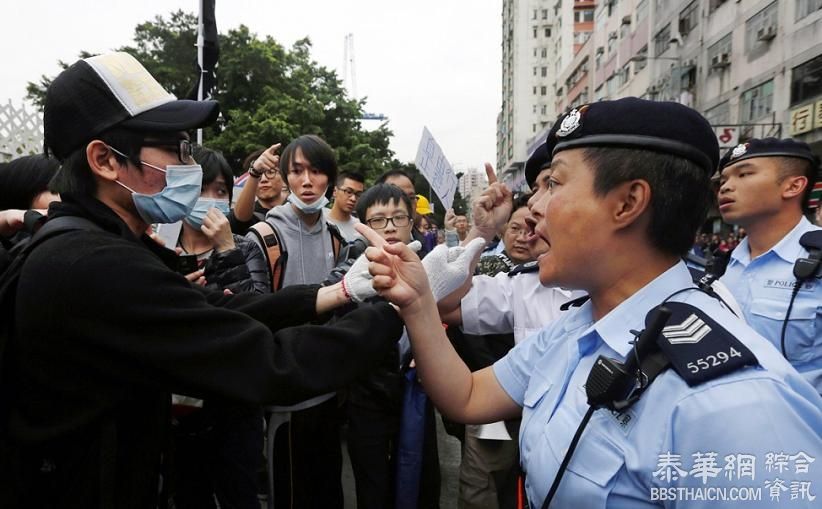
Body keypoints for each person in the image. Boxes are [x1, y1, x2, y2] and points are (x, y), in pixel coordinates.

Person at [360, 98, 822, 508]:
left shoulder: (734, 406)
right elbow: (467, 395)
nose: (533, 207)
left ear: (628, 203)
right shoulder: (578, 327)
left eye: (554, 185)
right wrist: (419, 303)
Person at [0, 52, 403, 509]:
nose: (187, 165)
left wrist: (340, 293)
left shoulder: (93, 242)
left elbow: (214, 307)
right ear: (105, 160)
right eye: (174, 149)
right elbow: (267, 362)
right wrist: (396, 312)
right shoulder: (92, 264)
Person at [246, 134, 350, 508]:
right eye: (297, 170)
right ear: (285, 177)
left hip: (330, 392)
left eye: (317, 171)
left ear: (330, 180)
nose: (307, 181)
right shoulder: (263, 236)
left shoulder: (338, 239)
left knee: (328, 491)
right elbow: (257, 312)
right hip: (285, 397)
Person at [170, 145, 271, 509]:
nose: (211, 200)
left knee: (239, 493)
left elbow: (260, 317)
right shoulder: (157, 248)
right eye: (199, 189)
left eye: (220, 191)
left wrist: (227, 251)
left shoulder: (244, 248)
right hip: (178, 409)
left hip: (234, 405)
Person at [717, 138, 822, 393]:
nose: (726, 188)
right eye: (722, 181)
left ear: (793, 185)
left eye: (744, 174)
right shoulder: (720, 268)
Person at [345, 183, 416, 509]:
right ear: (363, 226)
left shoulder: (427, 266)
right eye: (378, 219)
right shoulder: (352, 270)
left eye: (397, 217)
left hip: (415, 394)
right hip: (367, 396)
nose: (389, 226)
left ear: (411, 222)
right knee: (373, 485)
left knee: (416, 480)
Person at [228, 144, 288, 234]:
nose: (263, 179)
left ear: (283, 176)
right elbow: (238, 219)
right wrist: (254, 172)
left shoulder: (297, 209)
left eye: (270, 172)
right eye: (258, 174)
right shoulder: (246, 214)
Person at [324, 170, 365, 242]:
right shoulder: (318, 218)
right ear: (335, 191)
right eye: (348, 192)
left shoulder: (361, 228)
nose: (353, 199)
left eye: (358, 194)